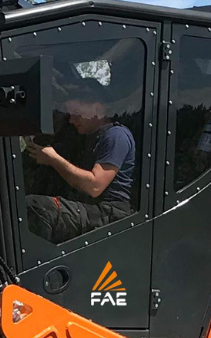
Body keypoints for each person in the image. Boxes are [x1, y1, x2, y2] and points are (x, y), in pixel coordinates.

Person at [24, 84, 136, 242]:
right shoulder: (86, 138)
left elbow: (95, 186)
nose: (71, 120)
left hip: (109, 213)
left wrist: (53, 159)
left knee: (36, 207)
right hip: (90, 208)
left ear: (98, 109)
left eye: (76, 113)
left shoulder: (116, 136)